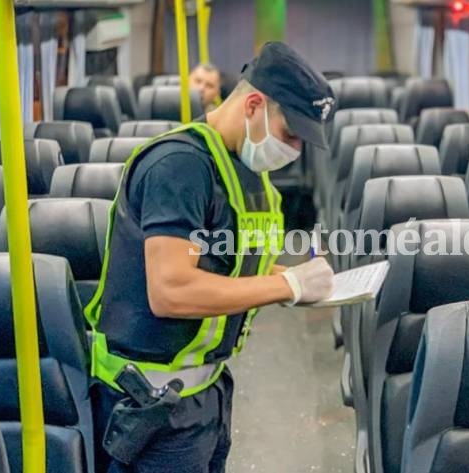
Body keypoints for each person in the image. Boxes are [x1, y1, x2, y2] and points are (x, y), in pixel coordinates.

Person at [87, 42, 337, 473]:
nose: (295, 148)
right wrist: (286, 285)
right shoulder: (180, 166)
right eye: (290, 132)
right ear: (254, 105)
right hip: (150, 406)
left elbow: (224, 263)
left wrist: (291, 279)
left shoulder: (242, 170)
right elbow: (171, 290)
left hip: (204, 395)